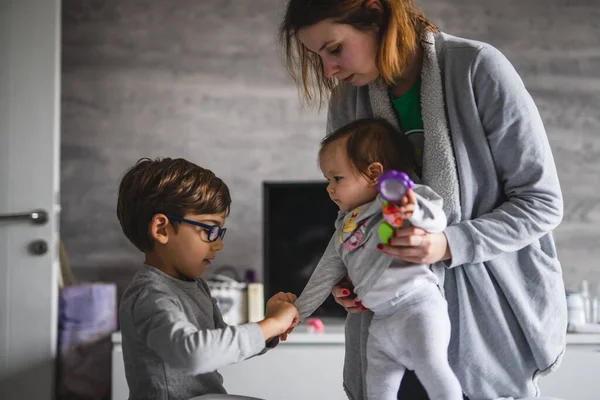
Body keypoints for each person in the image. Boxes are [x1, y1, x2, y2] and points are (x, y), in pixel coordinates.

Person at [278, 1, 567, 399]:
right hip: (389, 327)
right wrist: (350, 275)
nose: (329, 71)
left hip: (481, 326)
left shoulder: (477, 68)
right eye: (318, 56)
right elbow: (354, 216)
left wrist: (446, 244)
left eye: (334, 48)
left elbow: (541, 203)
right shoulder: (348, 101)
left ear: (376, 15)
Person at [288, 118, 462, 400]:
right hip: (381, 321)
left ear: (374, 173)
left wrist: (411, 209)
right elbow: (324, 274)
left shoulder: (399, 200)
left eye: (337, 178)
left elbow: (437, 218)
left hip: (418, 308)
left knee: (434, 369)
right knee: (377, 389)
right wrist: (297, 314)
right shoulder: (345, 226)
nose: (329, 188)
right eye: (328, 181)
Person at [117, 157, 299, 400]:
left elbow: (220, 345)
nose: (219, 244)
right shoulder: (150, 294)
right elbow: (195, 353)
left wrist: (269, 329)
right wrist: (272, 324)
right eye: (209, 230)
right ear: (162, 229)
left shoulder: (194, 285)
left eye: (219, 231)